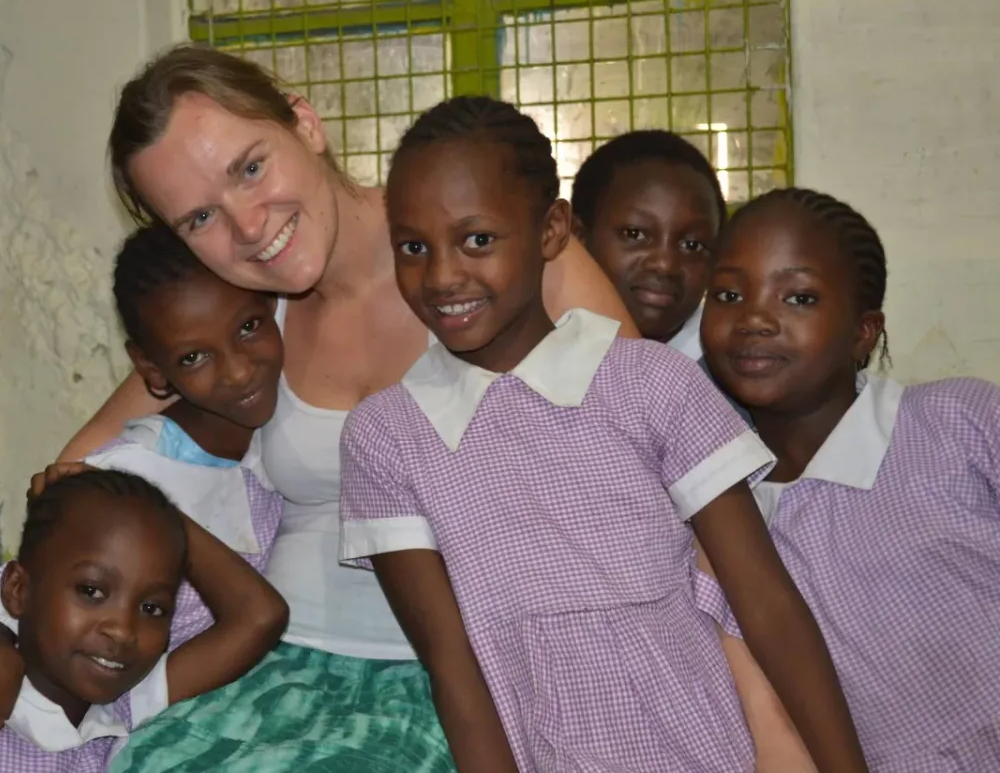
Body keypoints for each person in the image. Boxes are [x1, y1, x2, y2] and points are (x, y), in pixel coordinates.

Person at [0, 43, 640, 770]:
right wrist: (0, 651)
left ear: (304, 122)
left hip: (481, 677)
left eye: (251, 168)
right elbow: (76, 482)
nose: (249, 227)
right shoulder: (247, 319)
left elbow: (659, 459)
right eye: (200, 217)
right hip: (273, 674)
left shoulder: (491, 249)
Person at [338, 96, 867, 772]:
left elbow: (766, 603)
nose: (442, 276)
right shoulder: (386, 437)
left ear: (552, 230)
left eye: (478, 240)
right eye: (414, 247)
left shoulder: (650, 383)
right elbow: (454, 668)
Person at [0, 225, 289, 773]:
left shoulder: (274, 462)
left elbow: (258, 616)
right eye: (193, 357)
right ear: (152, 370)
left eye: (249, 327)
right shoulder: (126, 474)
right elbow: (1, 598)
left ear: (275, 307)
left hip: (109, 716)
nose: (237, 369)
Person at [700, 187, 1000, 771]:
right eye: (729, 295)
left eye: (799, 297)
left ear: (864, 331)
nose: (754, 319)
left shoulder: (959, 423)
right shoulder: (723, 513)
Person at [0, 470, 286, 773]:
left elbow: (260, 616)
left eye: (153, 608)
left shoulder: (120, 710)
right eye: (91, 591)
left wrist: (159, 518)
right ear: (18, 590)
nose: (122, 630)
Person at [572, 130, 726, 361]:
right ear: (578, 237)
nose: (665, 265)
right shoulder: (534, 357)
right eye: (634, 234)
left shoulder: (729, 369)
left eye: (692, 245)